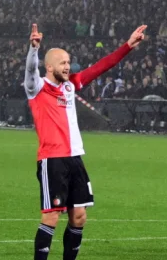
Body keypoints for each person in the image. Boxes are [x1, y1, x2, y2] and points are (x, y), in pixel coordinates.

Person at [26, 22, 146, 260]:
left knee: (79, 216)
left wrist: (128, 46)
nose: (67, 66)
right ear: (49, 67)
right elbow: (30, 69)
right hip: (53, 160)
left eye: (68, 62)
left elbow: (101, 67)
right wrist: (33, 49)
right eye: (62, 63)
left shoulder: (70, 85)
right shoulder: (37, 87)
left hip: (74, 159)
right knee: (51, 216)